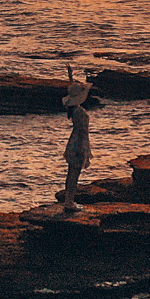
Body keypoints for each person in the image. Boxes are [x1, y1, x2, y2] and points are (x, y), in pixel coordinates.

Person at [60, 76, 93, 212]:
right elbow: (82, 131)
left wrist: (70, 76)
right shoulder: (79, 111)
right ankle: (69, 202)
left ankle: (68, 200)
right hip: (79, 142)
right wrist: (84, 148)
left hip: (74, 141)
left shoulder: (72, 109)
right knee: (74, 174)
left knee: (71, 173)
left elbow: (73, 89)